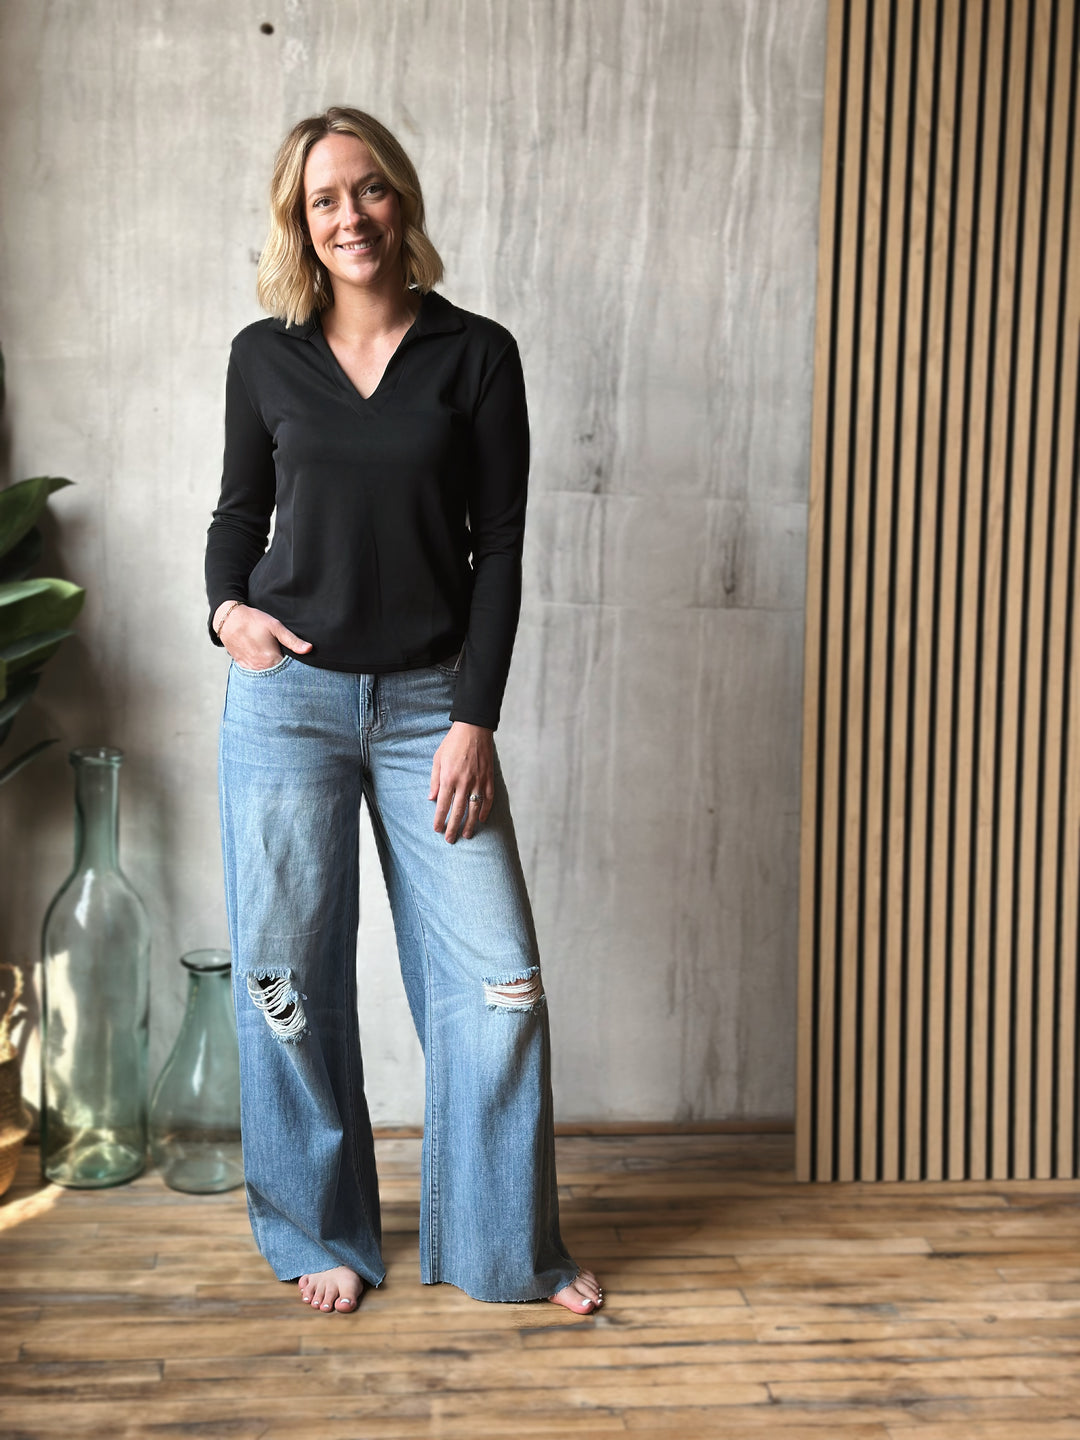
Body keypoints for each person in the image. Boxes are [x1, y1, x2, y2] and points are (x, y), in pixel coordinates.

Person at [204, 107, 602, 1317]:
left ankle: (501, 1250)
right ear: (301, 222)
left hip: (435, 706)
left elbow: (505, 545)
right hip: (288, 706)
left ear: (400, 200)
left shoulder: (477, 354)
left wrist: (474, 716)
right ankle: (315, 1232)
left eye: (368, 191)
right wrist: (229, 614)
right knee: (285, 981)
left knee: (498, 983)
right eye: (325, 200)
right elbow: (236, 516)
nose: (350, 216)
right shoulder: (264, 354)